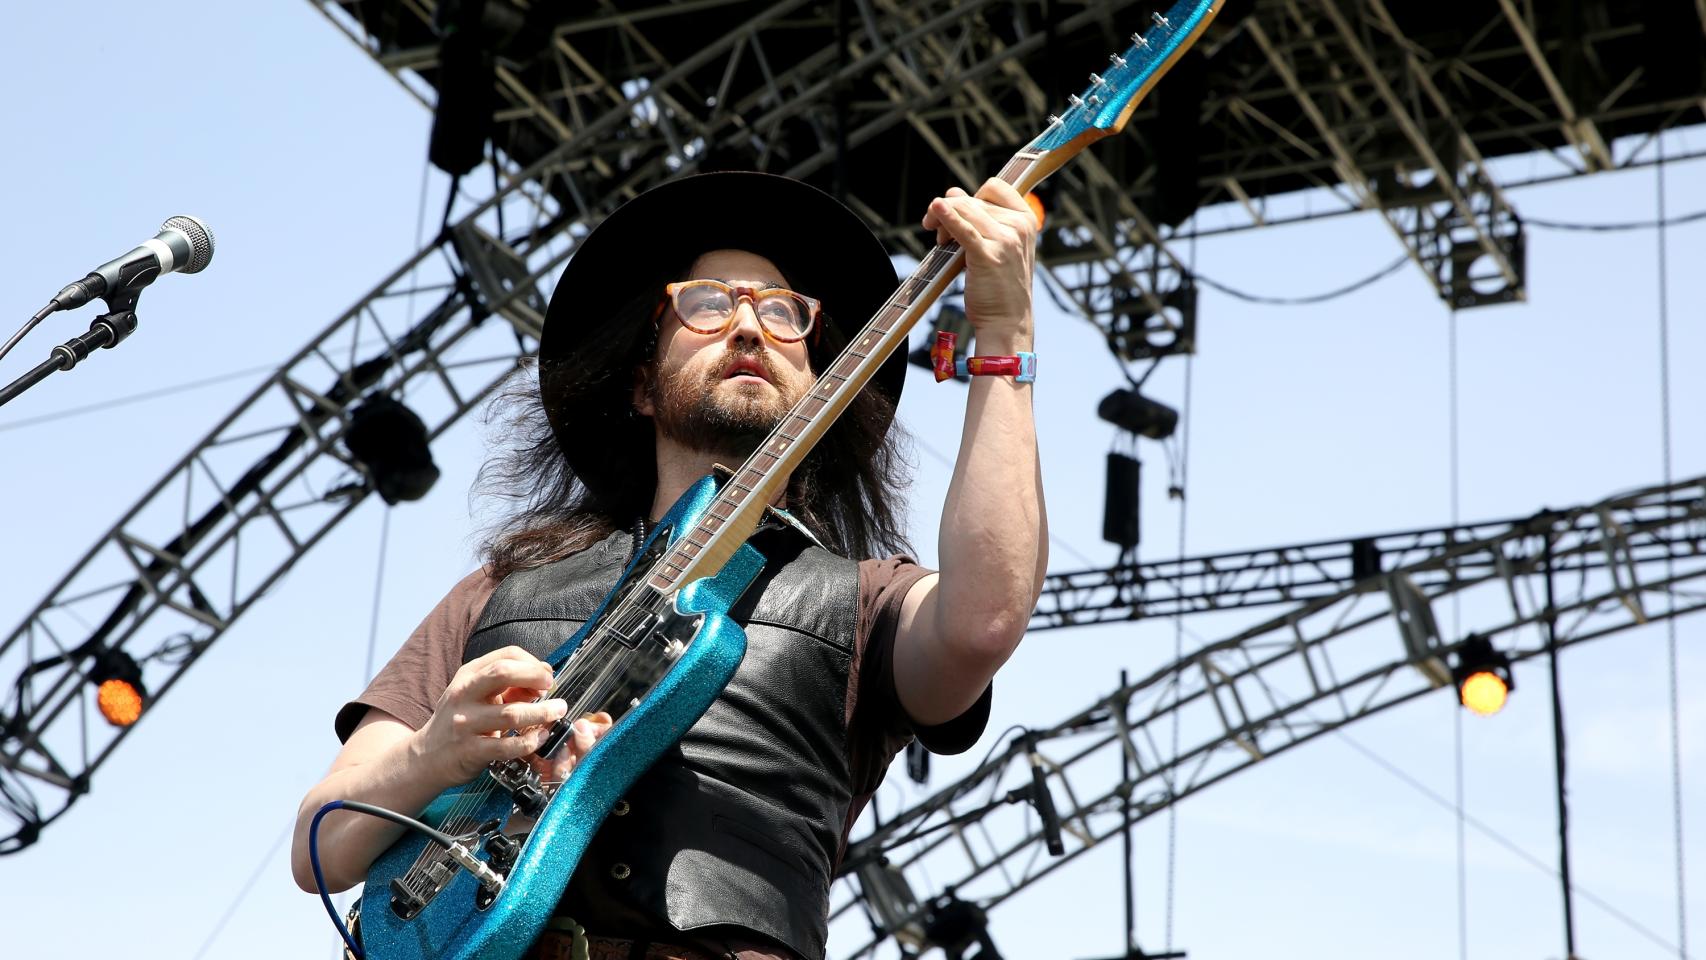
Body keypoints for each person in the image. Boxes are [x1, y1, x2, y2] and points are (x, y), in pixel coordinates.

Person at [291, 170, 1048, 960]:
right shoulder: (498, 591)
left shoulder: (864, 601)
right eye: (710, 303)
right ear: (644, 383)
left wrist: (1006, 336)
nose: (751, 327)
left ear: (819, 388)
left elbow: (984, 619)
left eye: (785, 313)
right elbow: (321, 843)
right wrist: (429, 754)